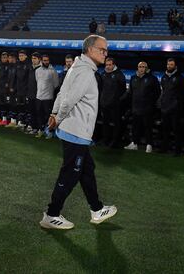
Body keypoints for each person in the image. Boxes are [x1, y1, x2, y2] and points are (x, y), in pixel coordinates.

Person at [40, 35, 117, 230]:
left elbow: (62, 93)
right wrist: (56, 118)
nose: (106, 54)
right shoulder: (85, 73)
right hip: (76, 132)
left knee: (86, 170)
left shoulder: (77, 67)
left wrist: (54, 113)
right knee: (70, 174)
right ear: (90, 50)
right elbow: (69, 99)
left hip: (73, 130)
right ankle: (52, 214)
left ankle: (97, 209)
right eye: (102, 50)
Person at [124, 61, 160, 153]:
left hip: (147, 108)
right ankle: (134, 143)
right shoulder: (133, 78)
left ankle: (149, 145)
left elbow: (157, 93)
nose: (141, 68)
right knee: (135, 127)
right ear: (137, 68)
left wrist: (150, 102)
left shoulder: (152, 79)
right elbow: (130, 92)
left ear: (147, 68)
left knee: (148, 127)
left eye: (143, 67)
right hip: (136, 107)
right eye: (140, 66)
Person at [159, 58, 184, 155]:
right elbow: (164, 92)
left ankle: (177, 150)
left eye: (171, 65)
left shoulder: (181, 78)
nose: (169, 66)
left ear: (175, 66)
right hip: (165, 108)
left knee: (176, 131)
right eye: (168, 64)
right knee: (165, 130)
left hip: (176, 110)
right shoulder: (164, 77)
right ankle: (164, 148)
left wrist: (180, 108)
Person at [100, 57, 126, 148]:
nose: (108, 66)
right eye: (106, 65)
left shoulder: (119, 75)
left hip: (115, 105)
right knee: (105, 123)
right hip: (104, 104)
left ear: (114, 65)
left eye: (110, 65)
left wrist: (118, 100)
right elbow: (100, 89)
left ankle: (115, 141)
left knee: (116, 123)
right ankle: (106, 140)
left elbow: (123, 90)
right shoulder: (103, 74)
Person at [34, 54, 59, 137]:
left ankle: (49, 131)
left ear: (49, 61)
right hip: (38, 97)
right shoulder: (37, 70)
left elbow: (56, 85)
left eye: (47, 60)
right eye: (44, 60)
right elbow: (37, 81)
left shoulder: (53, 71)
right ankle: (40, 130)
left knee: (48, 116)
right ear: (41, 61)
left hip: (48, 98)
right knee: (39, 115)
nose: (46, 62)